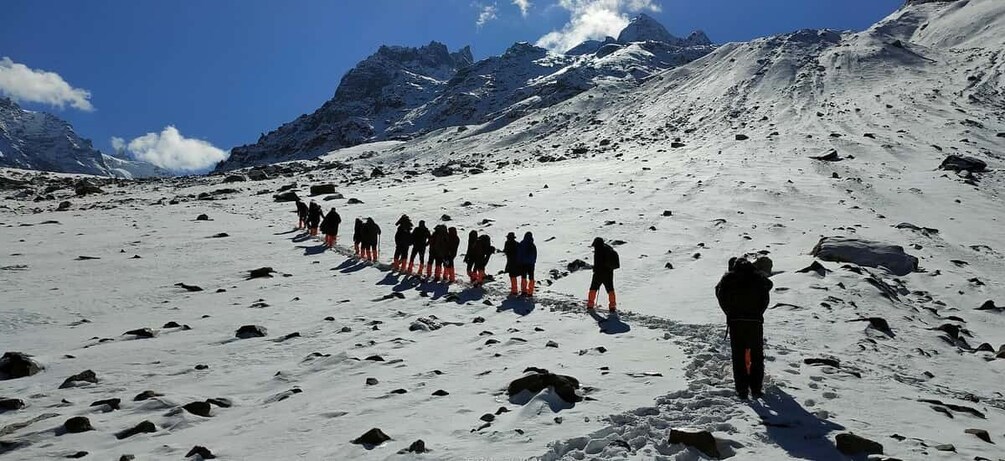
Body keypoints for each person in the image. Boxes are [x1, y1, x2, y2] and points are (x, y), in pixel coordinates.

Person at [715, 257, 773, 400]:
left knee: (738, 356)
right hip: (755, 321)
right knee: (757, 356)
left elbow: (719, 293)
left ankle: (742, 390)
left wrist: (729, 312)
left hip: (736, 321)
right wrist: (759, 313)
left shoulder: (729, 278)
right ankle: (756, 389)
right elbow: (768, 289)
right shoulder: (758, 277)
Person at [587, 237, 619, 312]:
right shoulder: (608, 249)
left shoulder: (599, 250)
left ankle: (590, 305)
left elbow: (598, 263)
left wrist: (595, 270)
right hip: (609, 273)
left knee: (593, 288)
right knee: (610, 289)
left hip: (598, 274)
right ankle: (612, 306)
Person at [516, 232, 537, 296]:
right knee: (531, 277)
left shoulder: (522, 243)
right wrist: (533, 261)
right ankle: (530, 292)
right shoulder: (532, 245)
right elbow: (535, 254)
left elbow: (519, 253)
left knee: (524, 277)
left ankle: (524, 291)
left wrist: (519, 261)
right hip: (531, 264)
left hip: (523, 263)